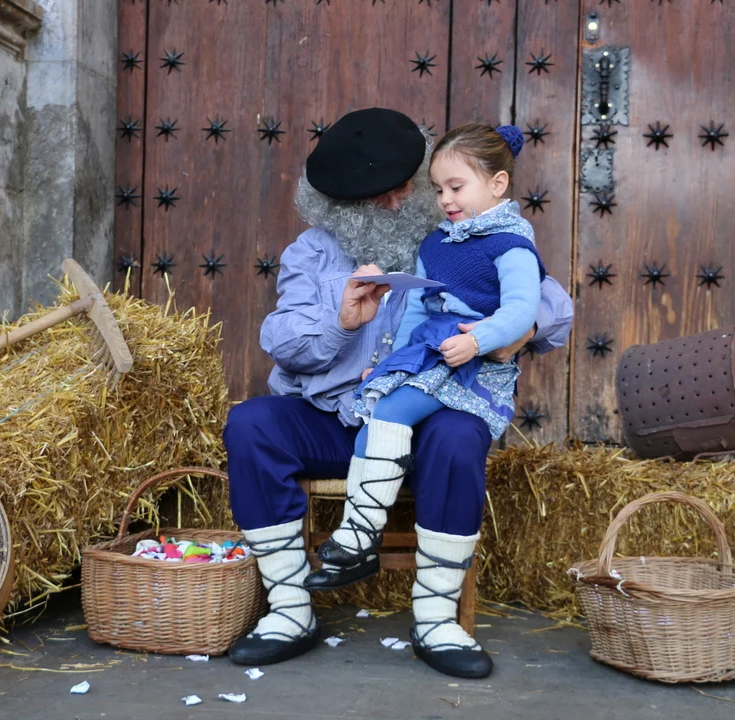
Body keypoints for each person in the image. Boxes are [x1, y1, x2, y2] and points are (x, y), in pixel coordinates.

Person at [222, 108, 573, 678]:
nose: (396, 202)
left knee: (461, 432)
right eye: (377, 196)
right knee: (251, 424)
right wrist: (341, 323)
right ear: (338, 204)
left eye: (406, 187)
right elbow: (280, 341)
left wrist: (519, 330)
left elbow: (552, 302)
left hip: (423, 425)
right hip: (338, 419)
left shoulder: (458, 236)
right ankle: (289, 610)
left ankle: (436, 619)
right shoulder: (311, 253)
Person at [303, 124, 546, 655]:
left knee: (390, 413)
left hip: (468, 362)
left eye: (457, 187)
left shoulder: (511, 244)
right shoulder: (436, 242)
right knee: (377, 411)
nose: (446, 200)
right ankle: (360, 537)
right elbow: (416, 307)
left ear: (498, 184)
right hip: (429, 351)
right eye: (438, 190)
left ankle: (362, 537)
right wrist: (388, 364)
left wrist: (480, 339)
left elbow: (521, 311)